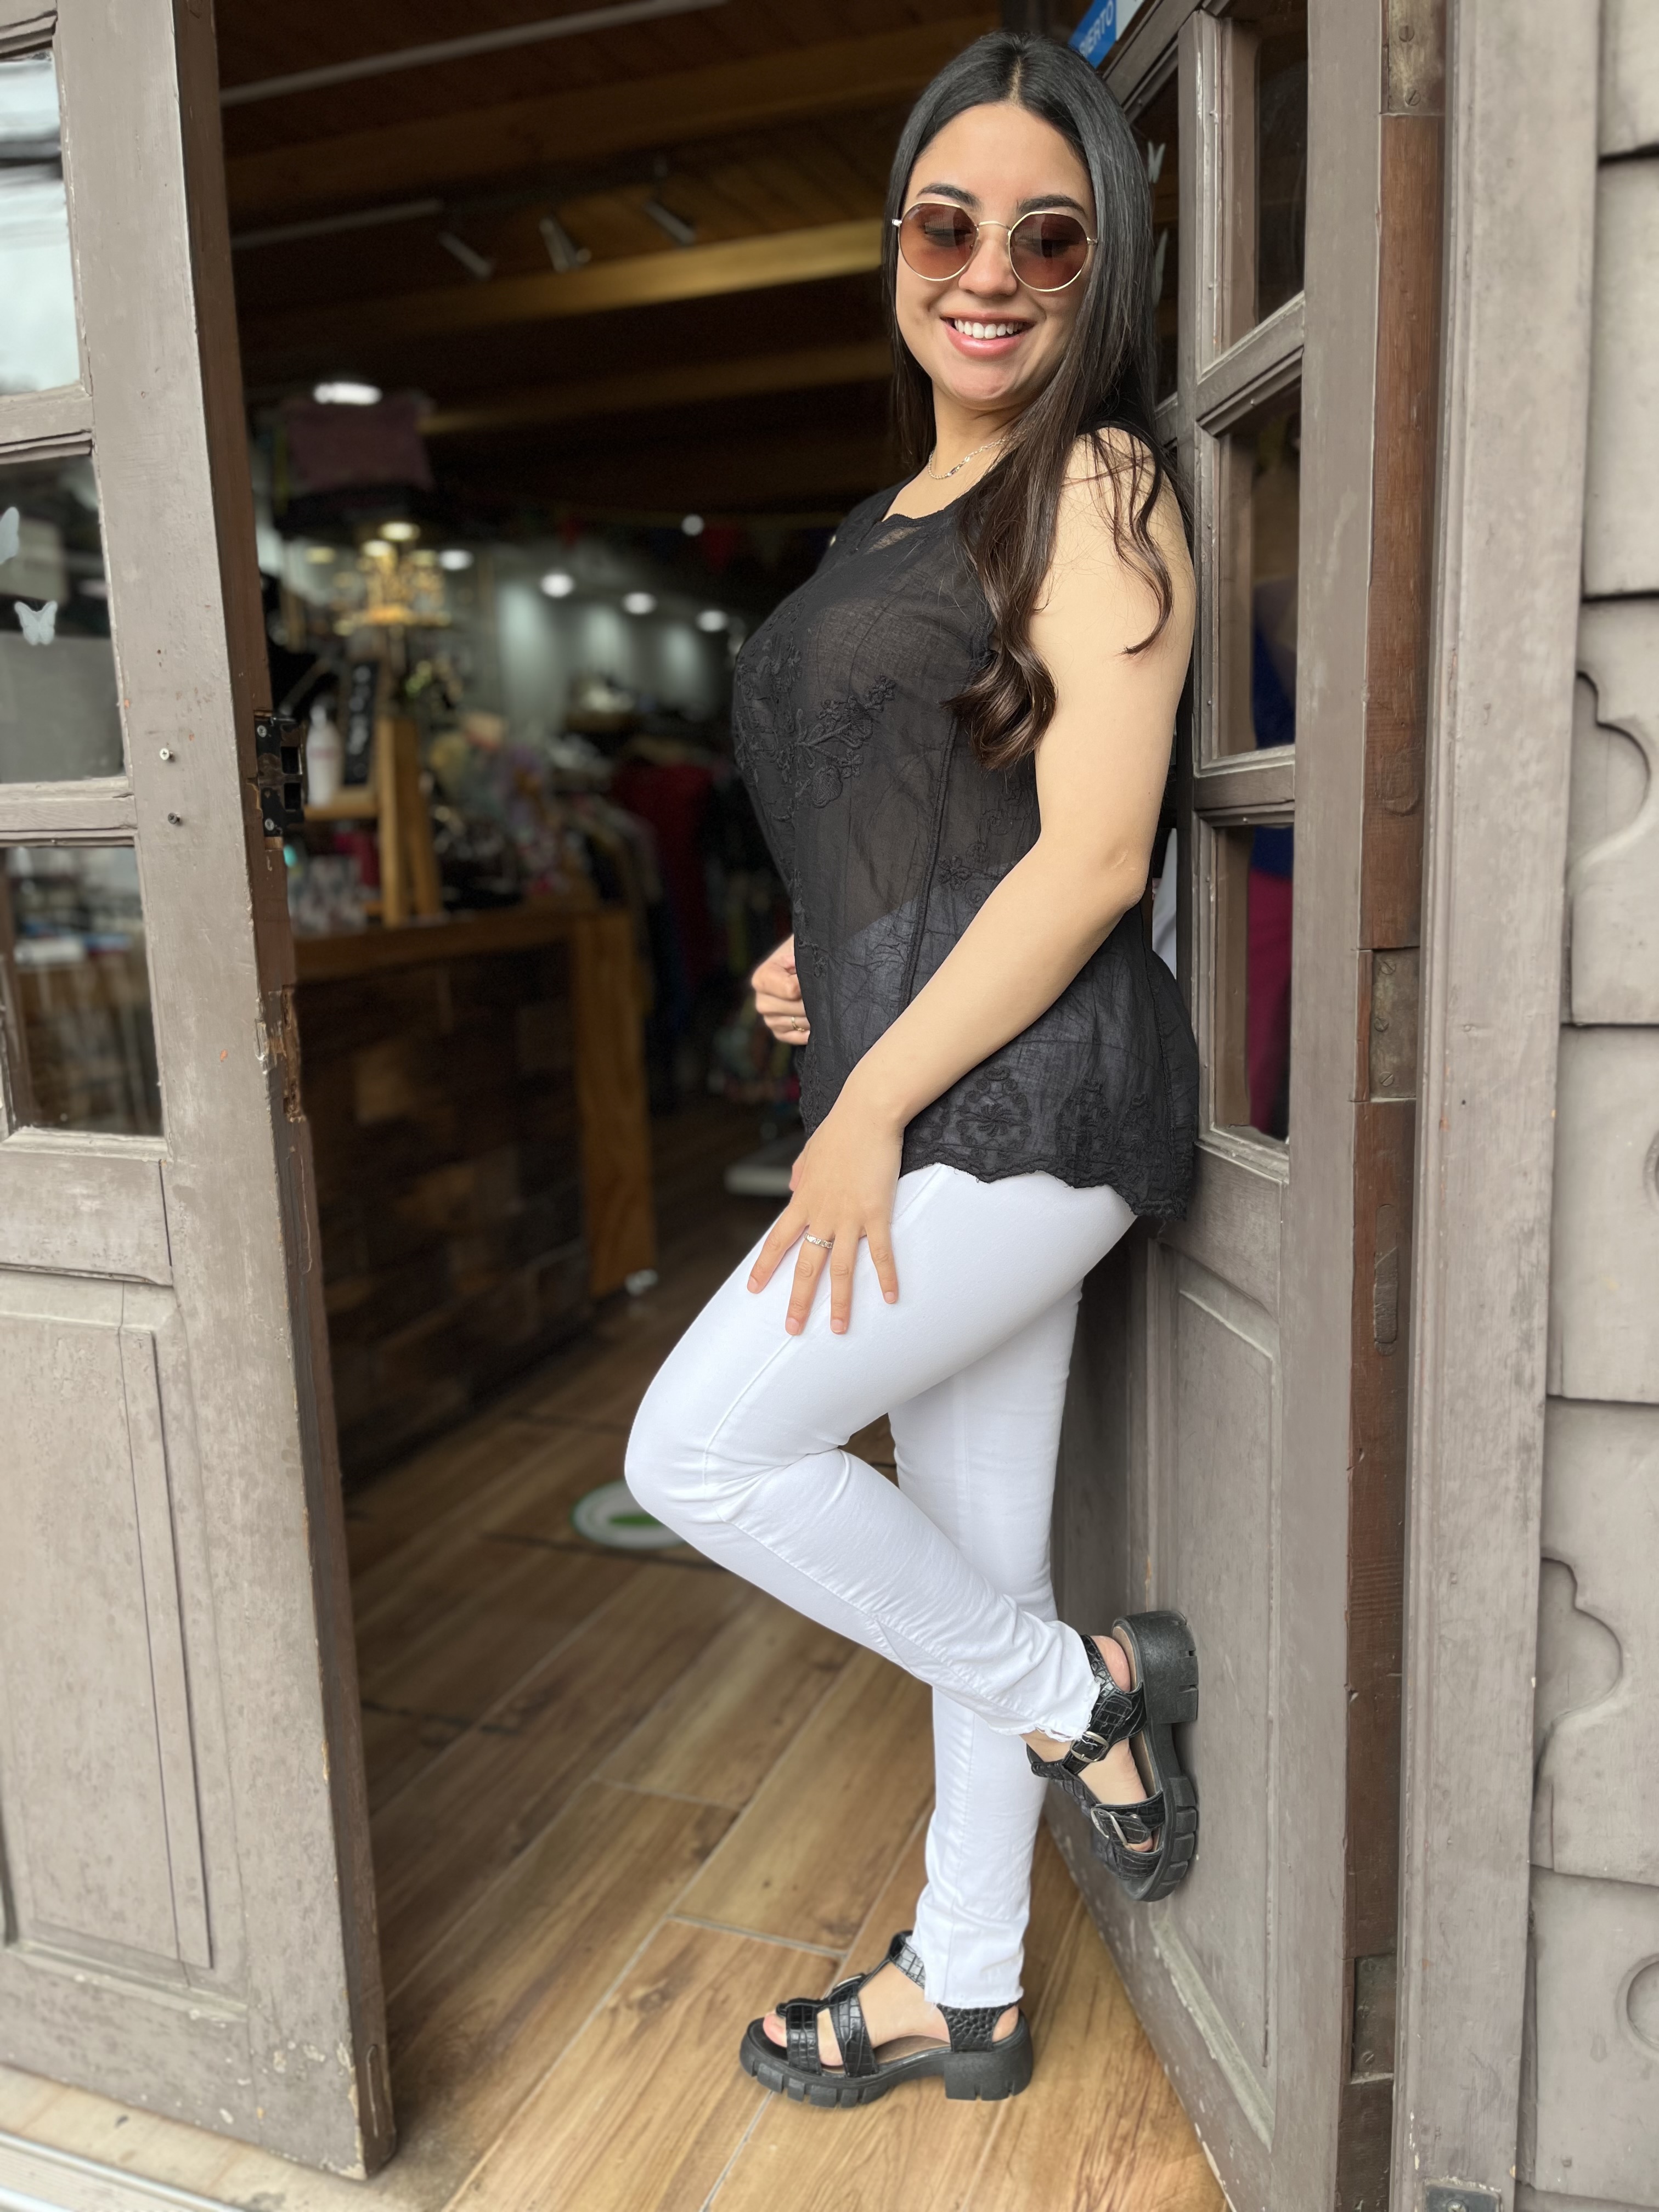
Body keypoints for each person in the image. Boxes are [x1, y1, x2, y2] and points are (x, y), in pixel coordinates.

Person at [624, 29, 1200, 2109]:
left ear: (1100, 270)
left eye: (1050, 238)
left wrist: (865, 1100)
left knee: (697, 1455)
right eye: (950, 225)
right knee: (973, 1561)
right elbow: (937, 816)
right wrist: (825, 957)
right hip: (925, 1082)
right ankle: (966, 1983)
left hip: (1026, 1108)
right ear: (897, 241)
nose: (991, 273)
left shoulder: (1099, 482)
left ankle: (1083, 1697)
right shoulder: (893, 514)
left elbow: (1096, 855)